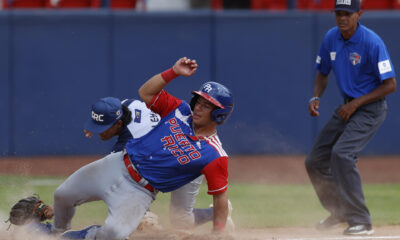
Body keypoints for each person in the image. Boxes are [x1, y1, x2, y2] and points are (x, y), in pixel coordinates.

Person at [35, 57, 234, 240]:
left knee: (113, 234)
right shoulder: (180, 110)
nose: (198, 107)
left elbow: (220, 196)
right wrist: (173, 71)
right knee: (62, 195)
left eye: (206, 106)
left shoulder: (214, 154)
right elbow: (146, 92)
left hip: (141, 191)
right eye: (198, 101)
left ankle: (83, 235)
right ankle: (56, 232)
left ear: (219, 115)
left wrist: (219, 232)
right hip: (117, 164)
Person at [305, 0, 396, 236]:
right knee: (314, 160)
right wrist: (315, 97)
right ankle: (340, 211)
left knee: (342, 154)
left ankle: (362, 221)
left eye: (347, 13)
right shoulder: (331, 38)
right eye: (338, 13)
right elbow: (322, 72)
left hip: (370, 108)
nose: (342, 18)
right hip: (348, 107)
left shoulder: (371, 41)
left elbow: (390, 85)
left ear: (359, 14)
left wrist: (356, 103)